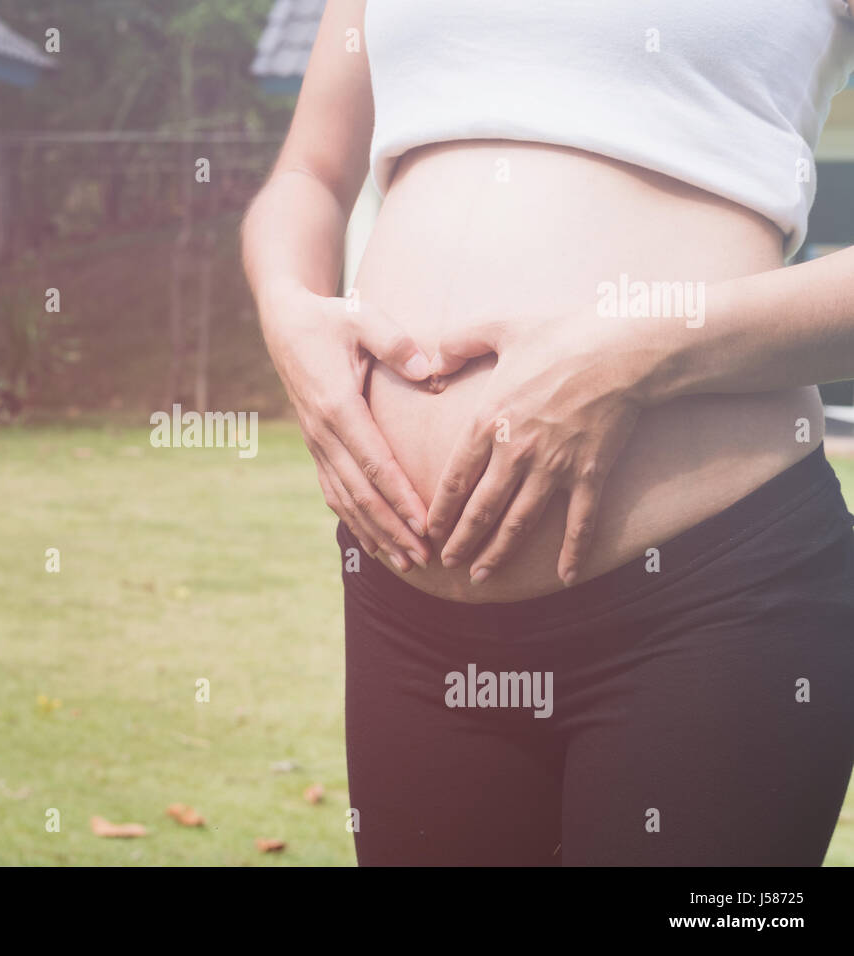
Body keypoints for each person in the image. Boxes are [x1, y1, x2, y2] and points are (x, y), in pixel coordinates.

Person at [241, 0, 854, 865]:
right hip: (407, 613)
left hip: (713, 601)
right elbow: (308, 171)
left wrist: (642, 350)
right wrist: (288, 310)